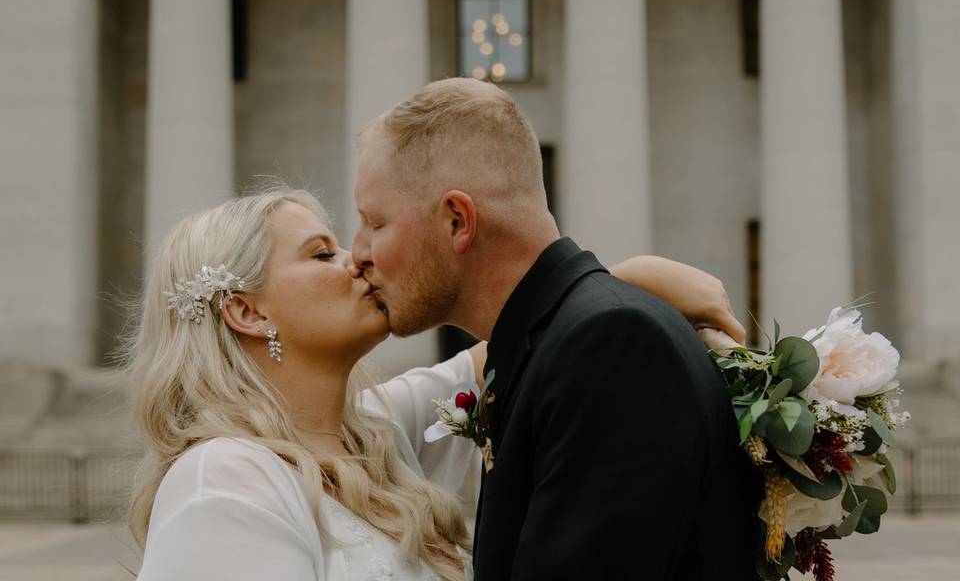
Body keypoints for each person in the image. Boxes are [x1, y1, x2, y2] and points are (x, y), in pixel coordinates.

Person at [126, 185, 743, 580]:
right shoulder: (222, 484)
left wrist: (624, 280)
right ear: (248, 312)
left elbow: (526, 334)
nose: (359, 260)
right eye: (322, 255)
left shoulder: (377, 432)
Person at [350, 78, 758, 579]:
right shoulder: (553, 341)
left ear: (458, 221)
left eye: (374, 222)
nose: (358, 252)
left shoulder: (610, 346)